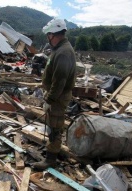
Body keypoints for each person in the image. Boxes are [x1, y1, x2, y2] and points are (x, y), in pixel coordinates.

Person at [31, 18, 76, 170]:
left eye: (48, 35)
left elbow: (60, 82)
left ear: (54, 34)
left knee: (55, 127)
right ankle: (51, 150)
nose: (47, 38)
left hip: (58, 97)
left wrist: (49, 99)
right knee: (52, 125)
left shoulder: (63, 52)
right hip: (55, 96)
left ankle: (51, 160)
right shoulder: (59, 49)